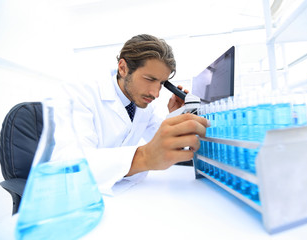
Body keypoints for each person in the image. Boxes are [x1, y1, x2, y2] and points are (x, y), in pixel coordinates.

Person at [60, 34, 209, 195]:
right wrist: (143, 157)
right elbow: (72, 165)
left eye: (161, 84)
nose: (156, 93)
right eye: (149, 79)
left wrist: (175, 116)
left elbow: (162, 145)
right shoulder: (80, 94)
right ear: (123, 68)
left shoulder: (143, 105)